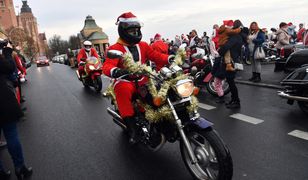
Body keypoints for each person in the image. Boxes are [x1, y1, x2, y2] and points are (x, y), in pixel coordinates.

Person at [102, 12, 173, 144]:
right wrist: (116, 70)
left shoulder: (144, 45)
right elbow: (107, 65)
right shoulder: (115, 48)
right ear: (123, 31)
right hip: (125, 80)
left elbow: (155, 55)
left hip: (142, 80)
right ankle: (133, 129)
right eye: (131, 31)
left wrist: (169, 58)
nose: (135, 34)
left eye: (136, 31)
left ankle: (161, 124)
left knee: (156, 98)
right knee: (122, 91)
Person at [0, 39, 32, 180]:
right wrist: (7, 52)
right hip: (2, 101)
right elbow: (9, 67)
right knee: (11, 135)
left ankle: (1, 172)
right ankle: (20, 168)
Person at [218, 20, 247, 108]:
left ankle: (236, 101)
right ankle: (233, 99)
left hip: (231, 62)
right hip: (233, 60)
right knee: (231, 82)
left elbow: (226, 47)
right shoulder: (240, 37)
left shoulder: (235, 37)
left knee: (231, 82)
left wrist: (220, 51)